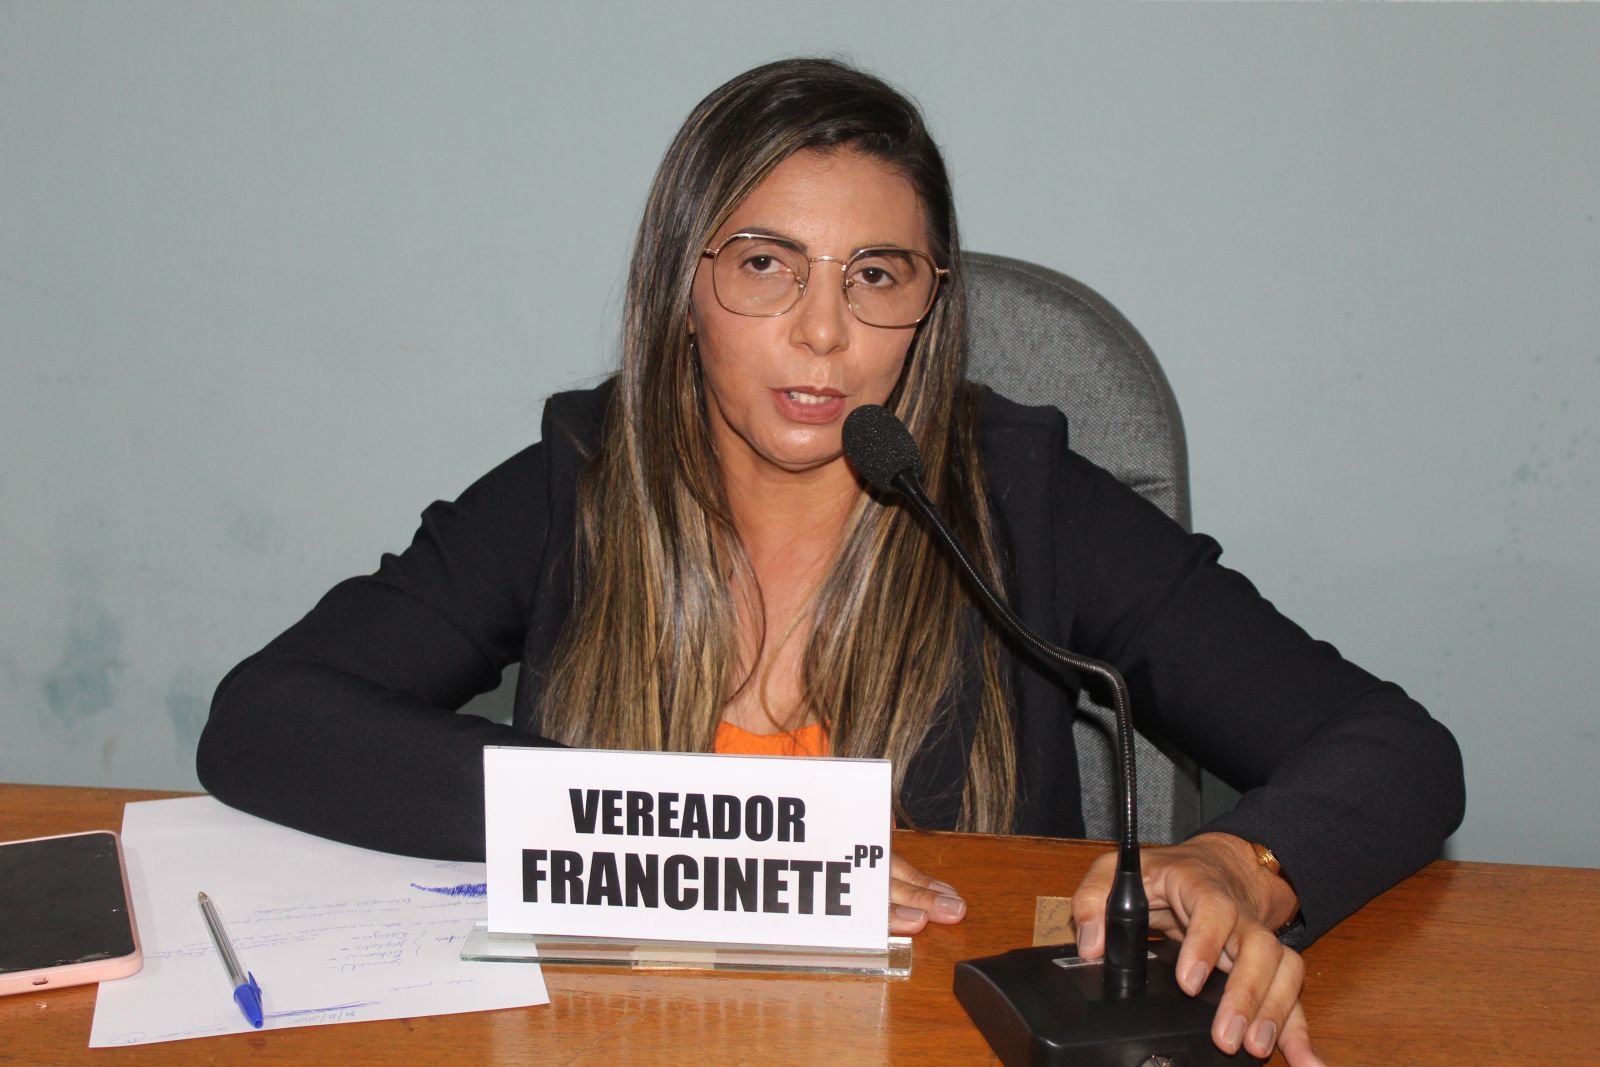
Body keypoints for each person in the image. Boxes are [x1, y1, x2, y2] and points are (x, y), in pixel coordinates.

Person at [197, 58, 1464, 1065]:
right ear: (683, 284)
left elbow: (1393, 744)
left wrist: (1242, 862)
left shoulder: (1017, 498)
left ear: (928, 301)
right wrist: (690, 836)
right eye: (765, 264)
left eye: (875, 275)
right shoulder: (577, 481)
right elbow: (267, 715)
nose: (821, 330)